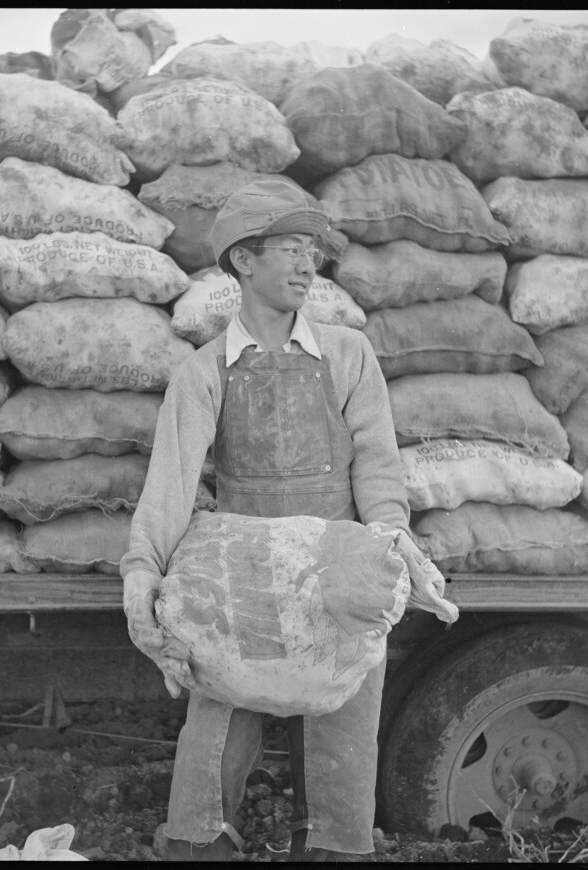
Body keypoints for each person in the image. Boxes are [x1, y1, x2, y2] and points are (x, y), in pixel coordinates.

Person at [120, 179, 452, 861]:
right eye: (290, 250)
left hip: (334, 571)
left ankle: (330, 846)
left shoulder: (349, 355)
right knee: (218, 721)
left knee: (344, 731)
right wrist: (142, 574)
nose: (307, 265)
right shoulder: (205, 369)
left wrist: (390, 542)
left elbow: (378, 468)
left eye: (312, 252)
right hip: (240, 578)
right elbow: (173, 485)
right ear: (244, 260)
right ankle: (202, 843)